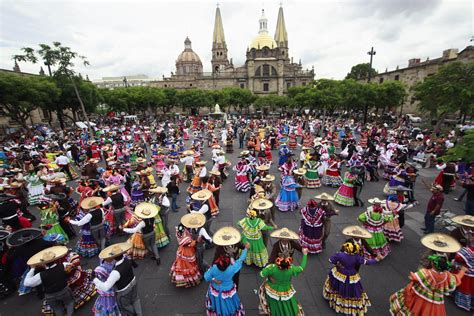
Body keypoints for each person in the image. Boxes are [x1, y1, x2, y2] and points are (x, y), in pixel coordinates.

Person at [389, 233, 465, 316]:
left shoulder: (429, 270)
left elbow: (415, 276)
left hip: (423, 287)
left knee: (415, 306)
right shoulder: (447, 275)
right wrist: (462, 271)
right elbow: (454, 281)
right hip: (435, 295)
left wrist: (422, 276)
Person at [323, 240, 378, 315]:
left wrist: (337, 264)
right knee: (352, 289)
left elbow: (330, 260)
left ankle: (337, 302)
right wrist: (376, 259)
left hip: (341, 272)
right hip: (352, 274)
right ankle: (349, 306)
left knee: (338, 286)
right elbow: (367, 262)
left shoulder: (340, 255)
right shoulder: (356, 257)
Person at [93, 242, 143, 316]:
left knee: (126, 306)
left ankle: (134, 314)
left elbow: (105, 287)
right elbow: (134, 265)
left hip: (124, 290)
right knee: (135, 299)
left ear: (113, 257)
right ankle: (140, 314)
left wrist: (94, 279)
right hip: (133, 282)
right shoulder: (127, 260)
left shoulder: (115, 272)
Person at [204, 235, 249, 316]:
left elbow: (206, 277)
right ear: (228, 263)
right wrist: (246, 249)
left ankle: (219, 311)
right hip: (228, 287)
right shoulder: (232, 269)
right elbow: (241, 259)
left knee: (218, 301)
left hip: (217, 289)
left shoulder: (214, 269)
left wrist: (213, 279)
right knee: (230, 299)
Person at [23, 246, 74, 316]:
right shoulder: (63, 265)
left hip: (50, 295)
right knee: (69, 303)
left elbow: (26, 283)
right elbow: (71, 265)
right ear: (55, 259)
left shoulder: (40, 275)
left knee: (57, 308)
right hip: (64, 291)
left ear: (43, 263)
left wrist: (32, 269)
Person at [258, 247, 308, 316]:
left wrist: (269, 276)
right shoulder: (291, 269)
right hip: (286, 289)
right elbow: (301, 267)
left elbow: (261, 274)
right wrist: (305, 254)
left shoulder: (271, 268)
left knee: (273, 303)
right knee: (287, 303)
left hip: (272, 288)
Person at [170, 218, 204, 288]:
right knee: (189, 264)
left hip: (182, 250)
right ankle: (189, 280)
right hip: (187, 251)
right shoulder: (185, 236)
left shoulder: (180, 228)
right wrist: (197, 240)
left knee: (181, 263)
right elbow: (190, 244)